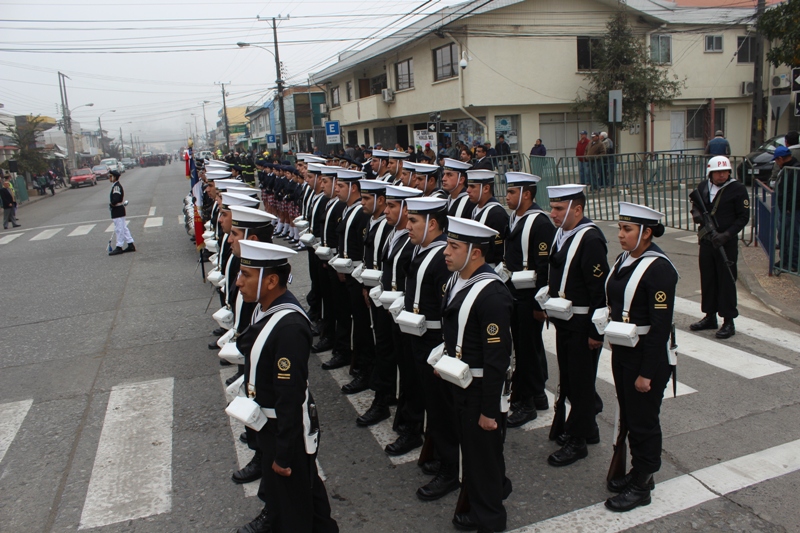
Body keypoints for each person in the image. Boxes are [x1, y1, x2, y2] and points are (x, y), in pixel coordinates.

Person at [234, 240, 339, 533]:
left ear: (271, 281)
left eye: (246, 275)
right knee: (303, 497)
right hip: (270, 425)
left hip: (285, 428)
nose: (238, 281)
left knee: (296, 509)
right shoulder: (263, 307)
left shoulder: (289, 327)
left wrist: (283, 453)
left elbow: (289, 397)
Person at [440, 216, 513, 533]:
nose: (446, 252)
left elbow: (497, 360)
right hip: (460, 381)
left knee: (481, 456)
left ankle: (491, 519)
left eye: (454, 246)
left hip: (480, 388)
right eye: (448, 244)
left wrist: (489, 410)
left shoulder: (492, 295)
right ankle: (495, 490)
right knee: (477, 453)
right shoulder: (457, 279)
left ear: (476, 253)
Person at [604, 202, 678, 513]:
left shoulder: (659, 269)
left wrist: (647, 373)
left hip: (647, 356)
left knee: (643, 421)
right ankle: (638, 472)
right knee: (631, 417)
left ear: (646, 233)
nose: (620, 234)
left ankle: (643, 483)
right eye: (620, 228)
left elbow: (660, 327)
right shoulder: (625, 259)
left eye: (627, 229)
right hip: (625, 351)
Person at [544, 184, 608, 466]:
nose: (553, 213)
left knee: (580, 383)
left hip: (582, 323)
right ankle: (588, 426)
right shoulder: (562, 233)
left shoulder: (590, 239)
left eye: (559, 208)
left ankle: (578, 440)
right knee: (571, 378)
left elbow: (599, 291)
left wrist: (596, 332)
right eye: (553, 207)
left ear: (577, 209)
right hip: (565, 320)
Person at [401, 197, 458, 501]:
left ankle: (451, 470)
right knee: (431, 404)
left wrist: (445, 350)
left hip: (434, 341)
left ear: (432, 224)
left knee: (441, 408)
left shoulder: (441, 257)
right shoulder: (421, 249)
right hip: (418, 335)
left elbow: (449, 309)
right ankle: (438, 454)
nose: (407, 225)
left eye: (414, 221)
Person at [502, 172, 556, 428]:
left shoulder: (540, 222)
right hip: (515, 292)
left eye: (512, 192)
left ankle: (527, 403)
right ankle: (537, 394)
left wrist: (538, 305)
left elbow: (544, 267)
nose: (507, 196)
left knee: (527, 352)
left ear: (526, 194)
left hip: (528, 297)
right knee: (527, 348)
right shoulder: (515, 218)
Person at [688, 156, 749, 339]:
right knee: (708, 279)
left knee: (726, 281)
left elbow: (743, 217)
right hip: (707, 241)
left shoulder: (737, 189)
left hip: (726, 243)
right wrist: (697, 215)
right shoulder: (703, 187)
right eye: (718, 172)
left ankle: (728, 320)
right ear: (710, 173)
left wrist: (726, 235)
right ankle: (710, 316)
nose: (722, 175)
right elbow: (696, 206)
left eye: (725, 171)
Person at [465, 169, 508, 267]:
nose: (468, 190)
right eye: (468, 186)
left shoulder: (496, 214)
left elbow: (498, 251)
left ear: (486, 188)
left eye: (472, 186)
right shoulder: (476, 209)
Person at [771, 145, 800, 272]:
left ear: (781, 159)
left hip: (791, 210)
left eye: (776, 160)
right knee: (785, 236)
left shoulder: (793, 170)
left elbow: (795, 192)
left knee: (791, 237)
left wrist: (789, 208)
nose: (777, 163)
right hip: (787, 208)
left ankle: (792, 263)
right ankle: (786, 261)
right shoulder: (789, 168)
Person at [108, 170, 136, 256]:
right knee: (123, 228)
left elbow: (116, 199)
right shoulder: (115, 186)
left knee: (119, 229)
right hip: (119, 210)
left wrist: (112, 204)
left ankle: (119, 246)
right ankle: (130, 244)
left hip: (117, 210)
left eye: (111, 176)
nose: (109, 178)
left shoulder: (116, 187)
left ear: (115, 177)